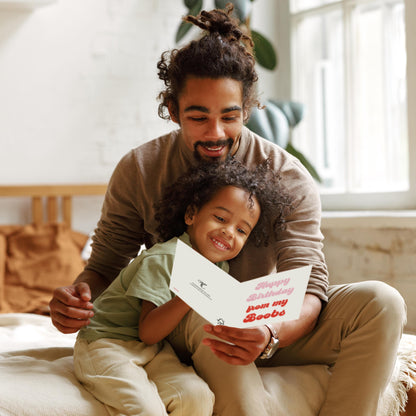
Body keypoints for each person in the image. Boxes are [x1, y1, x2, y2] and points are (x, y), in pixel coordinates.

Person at [50, 5, 406, 416]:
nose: (215, 133)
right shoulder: (141, 168)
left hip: (267, 323)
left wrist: (270, 332)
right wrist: (78, 298)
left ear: (249, 108)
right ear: (172, 108)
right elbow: (106, 264)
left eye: (229, 116)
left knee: (382, 301)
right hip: (176, 320)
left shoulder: (289, 177)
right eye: (198, 117)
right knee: (205, 293)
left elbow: (309, 284)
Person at [73, 158, 292, 416]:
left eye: (242, 230)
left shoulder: (219, 270)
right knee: (146, 409)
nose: (229, 232)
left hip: (152, 352)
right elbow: (148, 331)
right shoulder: (165, 258)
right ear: (191, 215)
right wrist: (192, 295)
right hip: (106, 344)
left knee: (196, 397)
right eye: (220, 218)